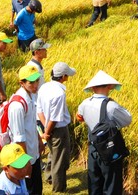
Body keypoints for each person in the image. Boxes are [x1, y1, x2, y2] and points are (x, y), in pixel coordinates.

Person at [77, 70, 132, 195]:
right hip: (109, 149)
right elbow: (128, 120)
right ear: (109, 86)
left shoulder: (85, 103)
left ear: (93, 88)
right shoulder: (111, 106)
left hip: (93, 149)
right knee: (111, 185)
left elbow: (79, 117)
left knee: (94, 184)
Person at [36, 62, 77, 193]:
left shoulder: (44, 87)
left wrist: (44, 128)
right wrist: (48, 132)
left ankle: (49, 176)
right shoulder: (59, 93)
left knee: (53, 153)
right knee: (59, 158)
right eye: (67, 75)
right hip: (58, 129)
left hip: (46, 126)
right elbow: (54, 117)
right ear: (63, 76)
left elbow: (39, 110)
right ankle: (58, 188)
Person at [8, 64, 45, 194]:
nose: (36, 84)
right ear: (21, 83)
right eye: (31, 82)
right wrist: (25, 164)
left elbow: (31, 124)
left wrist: (39, 141)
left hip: (33, 153)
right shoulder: (17, 105)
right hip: (26, 156)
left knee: (37, 188)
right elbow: (19, 137)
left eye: (37, 80)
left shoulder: (31, 96)